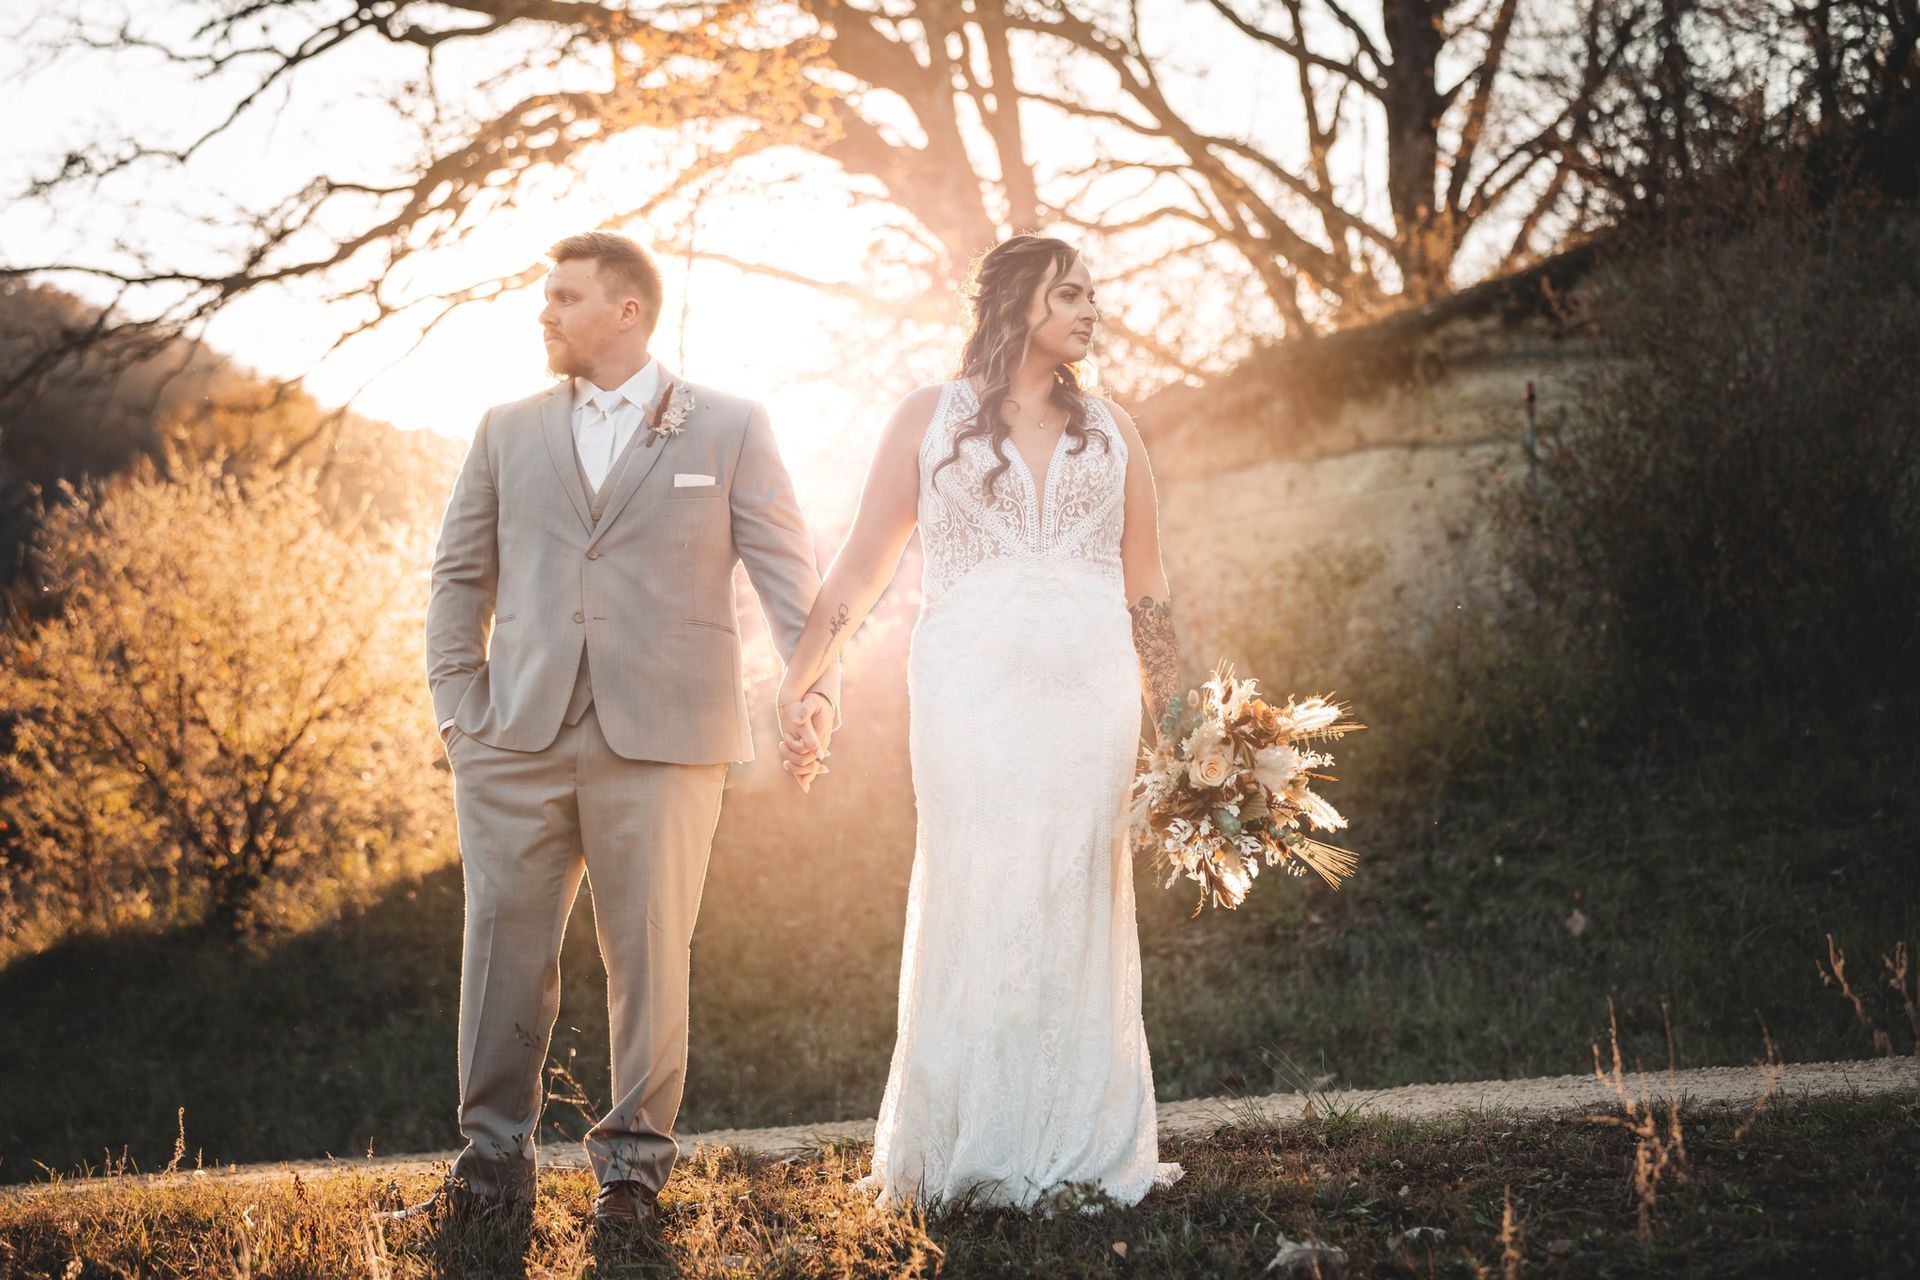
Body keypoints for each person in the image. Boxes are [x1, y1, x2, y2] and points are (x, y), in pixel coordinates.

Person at [409, 230, 839, 1232]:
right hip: (512, 736)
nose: (545, 311)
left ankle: (633, 1176)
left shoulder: (731, 424)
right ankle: (489, 1168)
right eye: (545, 296)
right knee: (500, 954)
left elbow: (792, 578)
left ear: (627, 311)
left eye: (564, 296)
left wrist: (814, 688)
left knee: (648, 956)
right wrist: (455, 708)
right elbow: (457, 576)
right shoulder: (503, 428)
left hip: (668, 740)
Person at [773, 234, 1186, 1210]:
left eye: (1093, 294)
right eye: (1071, 292)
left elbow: (1148, 585)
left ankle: (1080, 1148)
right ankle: (974, 1141)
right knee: (983, 889)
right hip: (969, 693)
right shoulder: (929, 415)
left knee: (1077, 892)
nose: (1090, 310)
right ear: (1016, 299)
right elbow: (863, 563)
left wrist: (1177, 723)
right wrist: (802, 680)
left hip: (1090, 696)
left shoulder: (1113, 427)